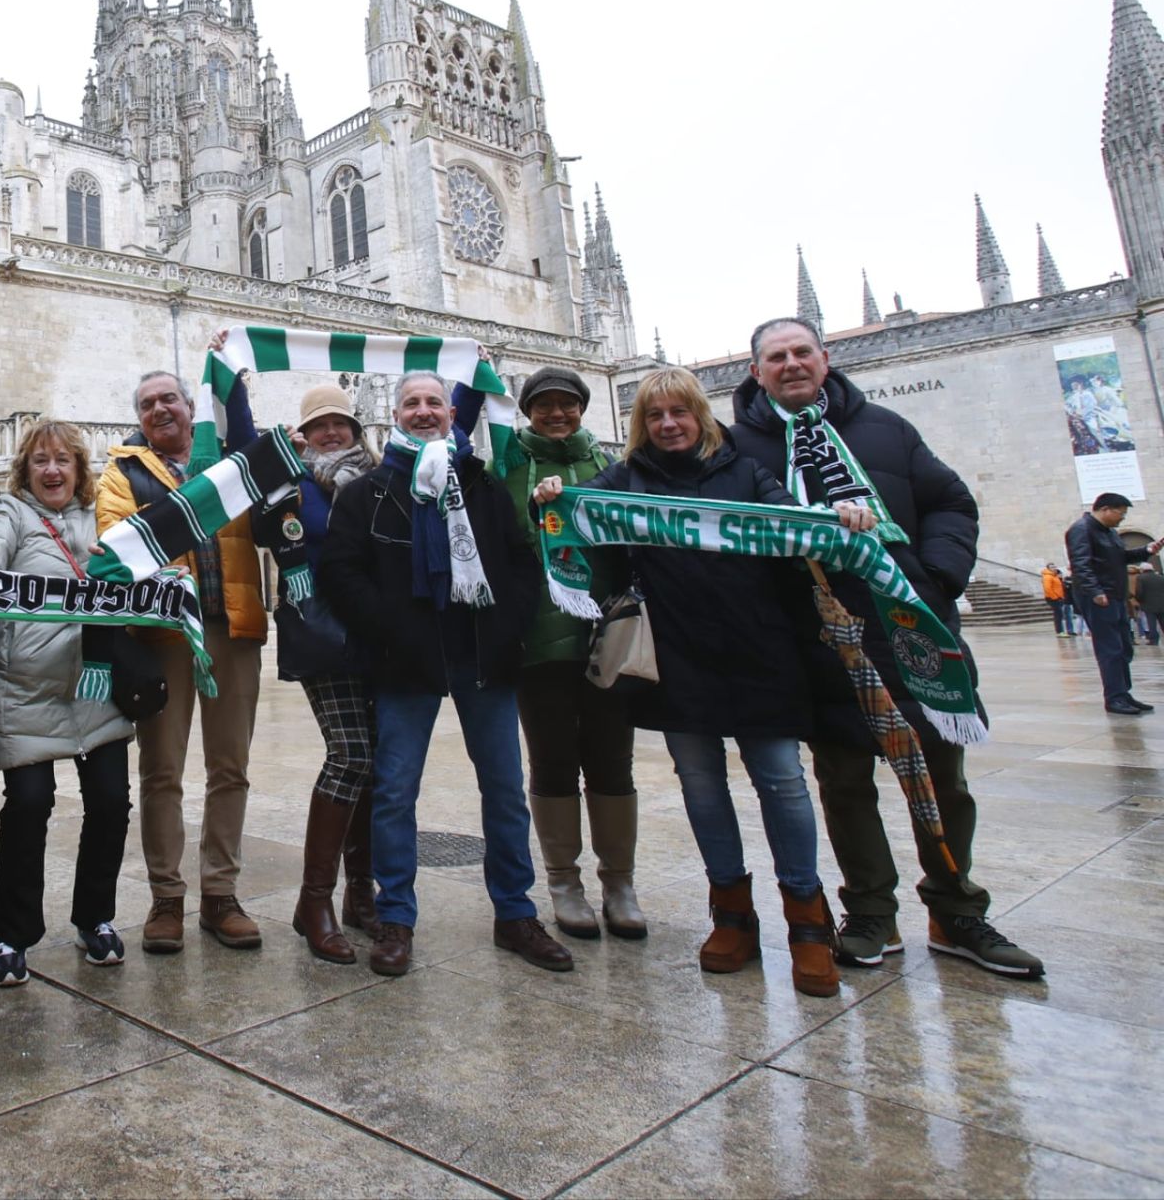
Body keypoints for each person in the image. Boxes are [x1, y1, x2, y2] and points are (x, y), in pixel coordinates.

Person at [732, 316, 1045, 978]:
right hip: (821, 644)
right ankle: (870, 911)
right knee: (845, 784)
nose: (791, 364)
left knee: (942, 782)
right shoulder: (740, 449)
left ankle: (957, 910)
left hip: (912, 633)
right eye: (775, 356)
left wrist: (936, 578)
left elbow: (951, 501)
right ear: (755, 370)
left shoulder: (885, 430)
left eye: (801, 352)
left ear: (825, 357)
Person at [542, 366, 861, 999]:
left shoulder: (746, 471)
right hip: (678, 653)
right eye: (655, 415)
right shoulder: (627, 477)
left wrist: (839, 517)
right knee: (701, 784)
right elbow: (581, 517)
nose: (668, 425)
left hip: (757, 649)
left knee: (783, 782)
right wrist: (552, 493)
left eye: (679, 413)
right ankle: (731, 914)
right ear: (642, 424)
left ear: (700, 416)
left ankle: (806, 921)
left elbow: (793, 527)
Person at [322, 370, 570, 977]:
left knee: (505, 791)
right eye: (412, 404)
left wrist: (507, 627)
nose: (424, 412)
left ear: (452, 414)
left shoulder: (480, 486)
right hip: (406, 662)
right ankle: (396, 918)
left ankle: (514, 912)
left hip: (483, 655)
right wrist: (394, 633)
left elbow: (517, 562)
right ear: (394, 415)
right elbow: (341, 575)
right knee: (396, 791)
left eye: (435, 402)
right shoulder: (368, 494)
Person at [458, 362, 644, 941]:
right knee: (553, 760)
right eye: (544, 405)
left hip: (606, 639)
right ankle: (564, 883)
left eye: (567, 404)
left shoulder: (612, 467)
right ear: (526, 411)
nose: (556, 414)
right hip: (538, 642)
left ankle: (620, 883)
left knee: (613, 762)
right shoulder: (506, 470)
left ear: (584, 408)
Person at [96, 369, 267, 953]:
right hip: (165, 636)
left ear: (191, 406)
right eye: (147, 404)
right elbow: (120, 541)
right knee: (161, 771)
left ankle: (221, 894)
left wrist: (235, 386)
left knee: (231, 768)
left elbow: (268, 511)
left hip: (233, 627)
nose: (159, 410)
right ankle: (166, 897)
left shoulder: (229, 464)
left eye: (169, 398)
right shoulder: (123, 472)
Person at [0, 420, 135, 986]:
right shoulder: (11, 514)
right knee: (30, 805)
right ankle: (12, 935)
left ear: (80, 469)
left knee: (110, 802)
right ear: (25, 469)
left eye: (63, 460)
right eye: (41, 461)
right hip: (25, 688)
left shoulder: (98, 518)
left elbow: (136, 565)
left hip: (96, 687)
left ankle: (96, 917)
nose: (53, 470)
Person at [245, 380, 382, 964]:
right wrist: (231, 385)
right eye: (320, 424)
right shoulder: (290, 482)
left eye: (341, 424)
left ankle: (359, 894)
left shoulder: (377, 479)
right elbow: (256, 517)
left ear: (355, 429)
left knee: (376, 762)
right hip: (323, 633)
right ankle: (314, 900)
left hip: (378, 633)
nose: (332, 432)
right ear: (303, 434)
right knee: (351, 753)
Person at [1068, 491, 1161, 719]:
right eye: (1121, 513)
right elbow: (1080, 563)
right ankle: (1114, 698)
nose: (1122, 518)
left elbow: (1119, 558)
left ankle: (1123, 693)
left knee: (1124, 647)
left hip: (1116, 596)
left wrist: (1146, 551)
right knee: (1110, 648)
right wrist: (1095, 591)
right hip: (1100, 598)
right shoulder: (1081, 529)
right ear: (1106, 509)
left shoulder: (1109, 532)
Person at [1041, 562, 1076, 636]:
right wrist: (1055, 597)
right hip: (1054, 599)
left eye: (1054, 567)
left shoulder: (1055, 576)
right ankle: (1060, 631)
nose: (1054, 568)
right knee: (1058, 615)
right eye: (1052, 567)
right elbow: (1047, 589)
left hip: (1060, 598)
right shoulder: (1048, 577)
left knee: (1061, 614)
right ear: (1048, 569)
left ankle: (1065, 631)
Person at [1138, 563, 1164, 647]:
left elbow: (1140, 592)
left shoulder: (1141, 578)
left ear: (1142, 569)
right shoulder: (1160, 577)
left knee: (1151, 623)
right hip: (1161, 604)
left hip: (1148, 604)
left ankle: (1154, 640)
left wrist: (1139, 600)